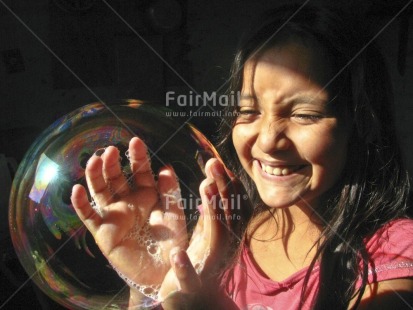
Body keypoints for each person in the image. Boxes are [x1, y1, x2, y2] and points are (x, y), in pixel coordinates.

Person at [71, 4, 413, 309]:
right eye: (248, 111)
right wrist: (152, 286)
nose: (267, 140)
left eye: (304, 114)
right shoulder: (223, 224)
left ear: (362, 121)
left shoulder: (393, 252)